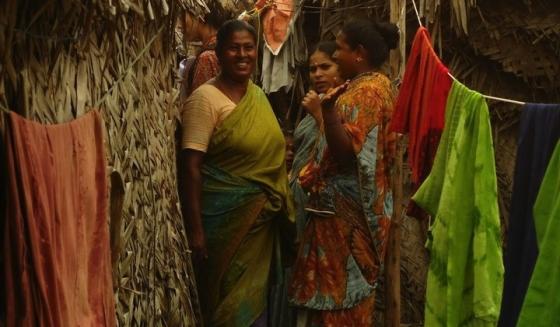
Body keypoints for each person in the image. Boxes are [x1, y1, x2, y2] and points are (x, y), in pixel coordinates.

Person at [179, 19, 294, 327]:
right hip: (224, 223)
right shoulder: (205, 99)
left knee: (257, 303)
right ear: (218, 53)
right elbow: (190, 166)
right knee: (230, 307)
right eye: (233, 48)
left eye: (248, 48)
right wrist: (196, 231)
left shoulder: (257, 96)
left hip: (262, 225)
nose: (242, 55)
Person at [288, 18, 399, 325]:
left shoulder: (366, 93)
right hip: (342, 222)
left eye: (339, 49)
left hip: (346, 225)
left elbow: (346, 154)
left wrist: (327, 113)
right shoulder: (373, 87)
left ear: (359, 53)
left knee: (340, 310)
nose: (334, 56)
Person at [289, 41, 343, 237]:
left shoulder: (344, 102)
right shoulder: (317, 101)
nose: (317, 74)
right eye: (313, 69)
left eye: (325, 67)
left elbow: (340, 150)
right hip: (299, 199)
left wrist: (320, 113)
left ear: (340, 67)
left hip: (323, 205)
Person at [177, 2, 230, 100]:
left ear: (199, 14)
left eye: (182, 16)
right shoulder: (226, 47)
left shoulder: (207, 58)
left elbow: (201, 107)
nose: (180, 25)